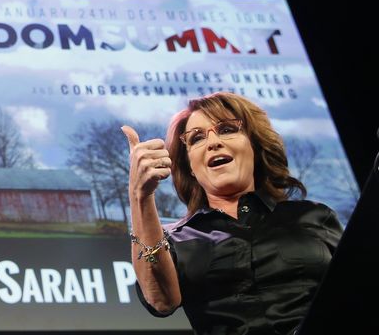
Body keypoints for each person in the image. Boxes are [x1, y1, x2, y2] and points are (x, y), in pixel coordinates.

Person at [122, 92, 343, 335]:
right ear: (190, 168)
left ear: (255, 147)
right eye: (196, 138)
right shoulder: (173, 240)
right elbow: (161, 301)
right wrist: (140, 195)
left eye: (227, 129)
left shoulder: (314, 217)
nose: (213, 142)